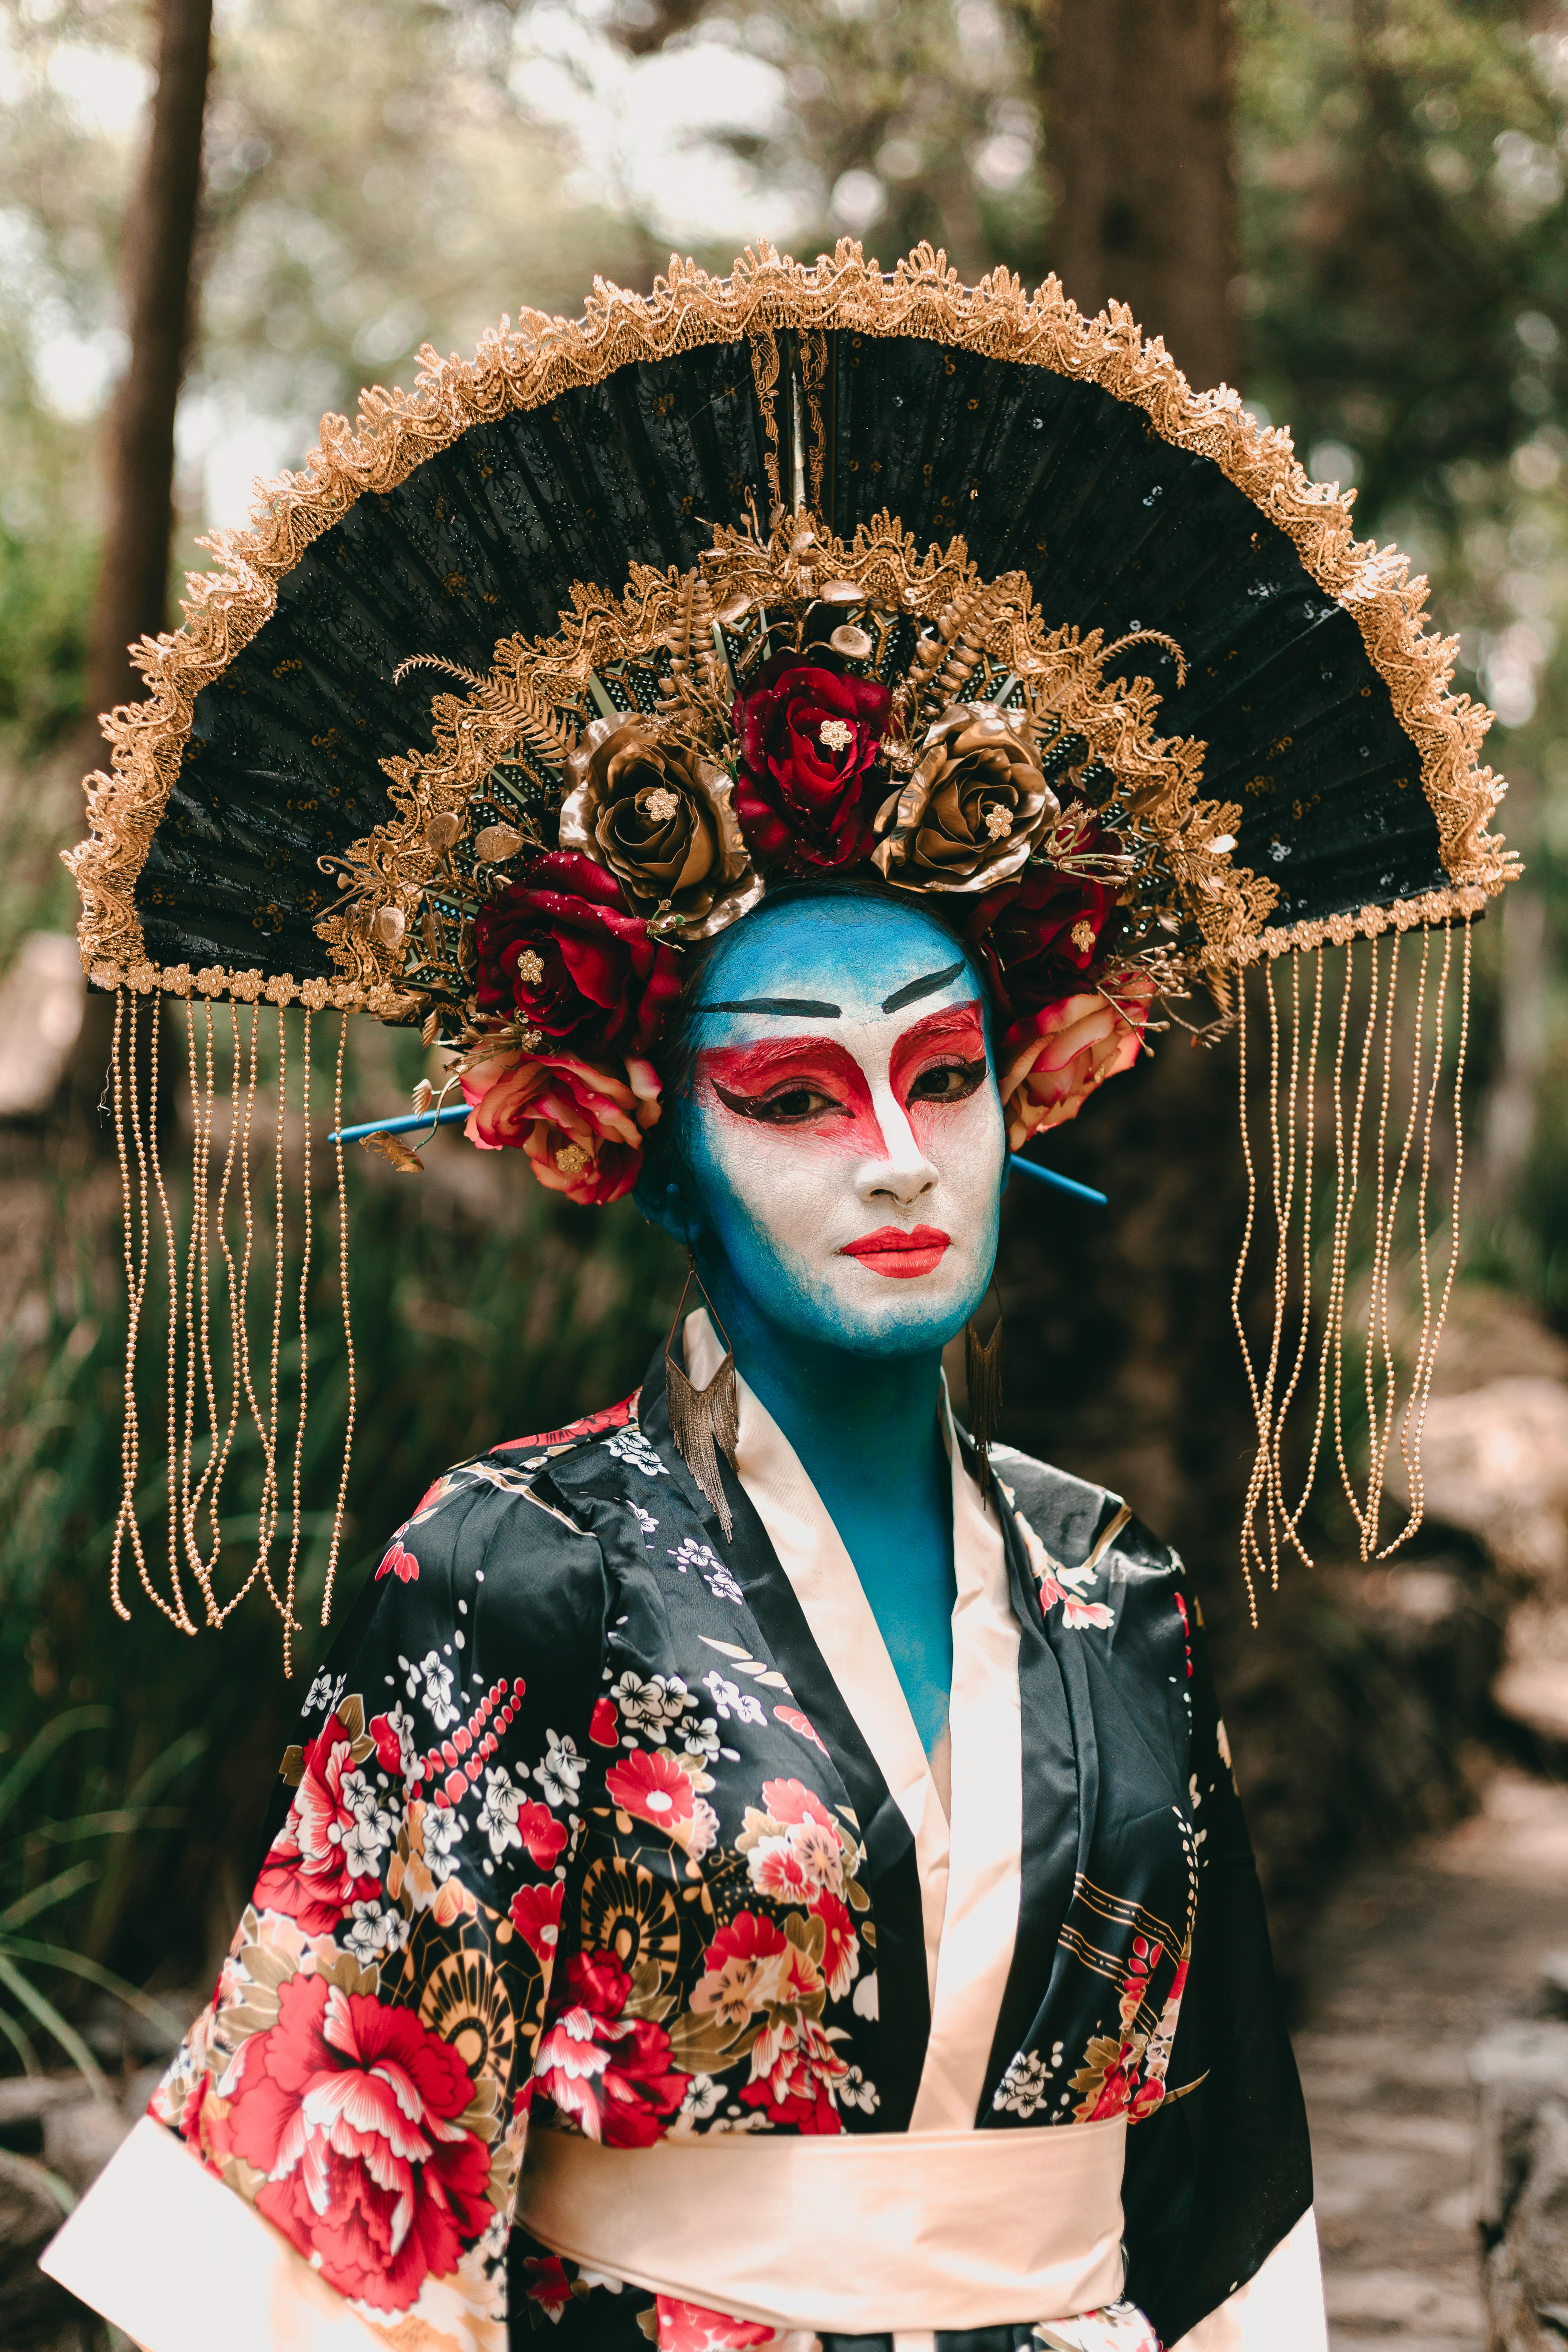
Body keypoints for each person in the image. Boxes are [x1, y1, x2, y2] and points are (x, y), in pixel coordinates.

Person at [45, 241, 1514, 2352]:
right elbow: (326, 2240)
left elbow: (1223, 2212)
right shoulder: (516, 1570)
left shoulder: (1121, 1592)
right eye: (794, 1096)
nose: (900, 1156)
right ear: (646, 1140)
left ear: (1035, 1089)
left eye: (944, 1075)